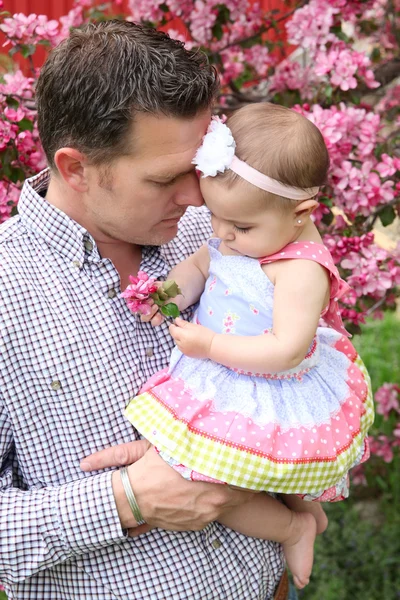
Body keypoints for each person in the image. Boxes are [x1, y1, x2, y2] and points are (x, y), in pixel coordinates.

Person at [0, 20, 293, 600]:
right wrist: (126, 499)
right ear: (76, 168)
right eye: (164, 179)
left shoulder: (213, 237)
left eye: (198, 169)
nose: (192, 197)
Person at [124, 104, 375, 588]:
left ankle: (294, 525)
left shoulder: (300, 271)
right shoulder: (245, 228)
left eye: (238, 227)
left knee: (214, 481)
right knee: (282, 464)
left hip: (272, 381)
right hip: (229, 370)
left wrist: (211, 344)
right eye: (215, 215)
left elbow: (286, 350)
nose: (222, 233)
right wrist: (168, 296)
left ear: (301, 214)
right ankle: (307, 515)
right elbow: (201, 266)